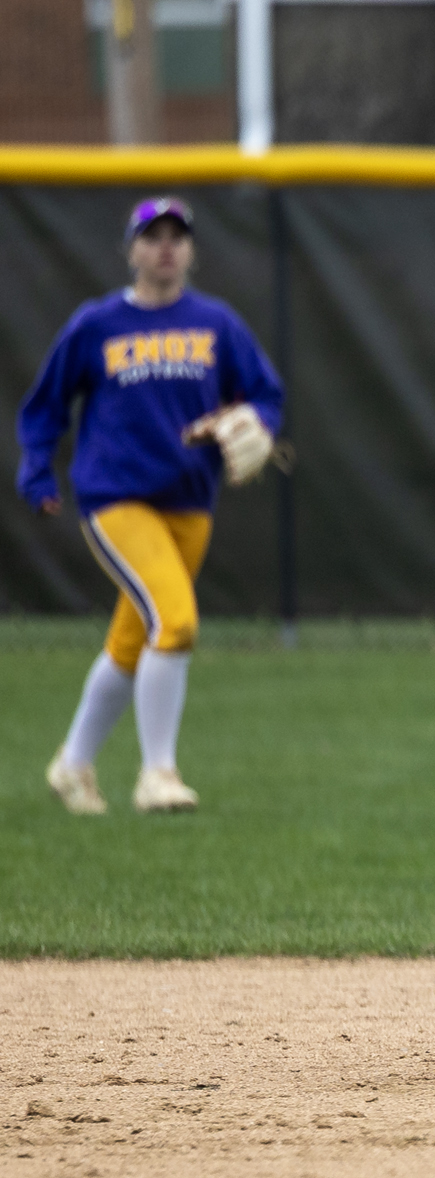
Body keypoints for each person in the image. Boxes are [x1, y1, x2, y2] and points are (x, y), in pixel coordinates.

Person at [18, 196, 283, 815]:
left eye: (177, 235)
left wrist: (253, 420)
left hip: (190, 503)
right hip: (116, 498)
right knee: (177, 618)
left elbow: (264, 394)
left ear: (190, 250)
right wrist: (36, 472)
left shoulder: (217, 324)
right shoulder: (97, 324)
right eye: (152, 235)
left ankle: (72, 764)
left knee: (134, 639)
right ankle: (157, 773)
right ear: (131, 249)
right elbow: (45, 407)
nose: (166, 246)